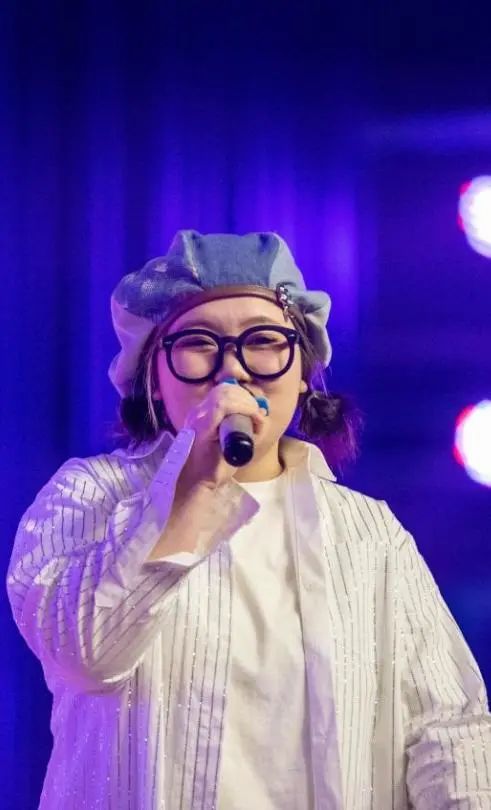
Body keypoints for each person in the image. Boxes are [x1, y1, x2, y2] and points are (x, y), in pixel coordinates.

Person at [7, 230, 491, 810]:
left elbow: (448, 729)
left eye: (263, 341)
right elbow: (85, 656)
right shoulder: (87, 495)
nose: (231, 369)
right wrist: (189, 490)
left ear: (304, 370)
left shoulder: (369, 534)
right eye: (198, 342)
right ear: (153, 379)